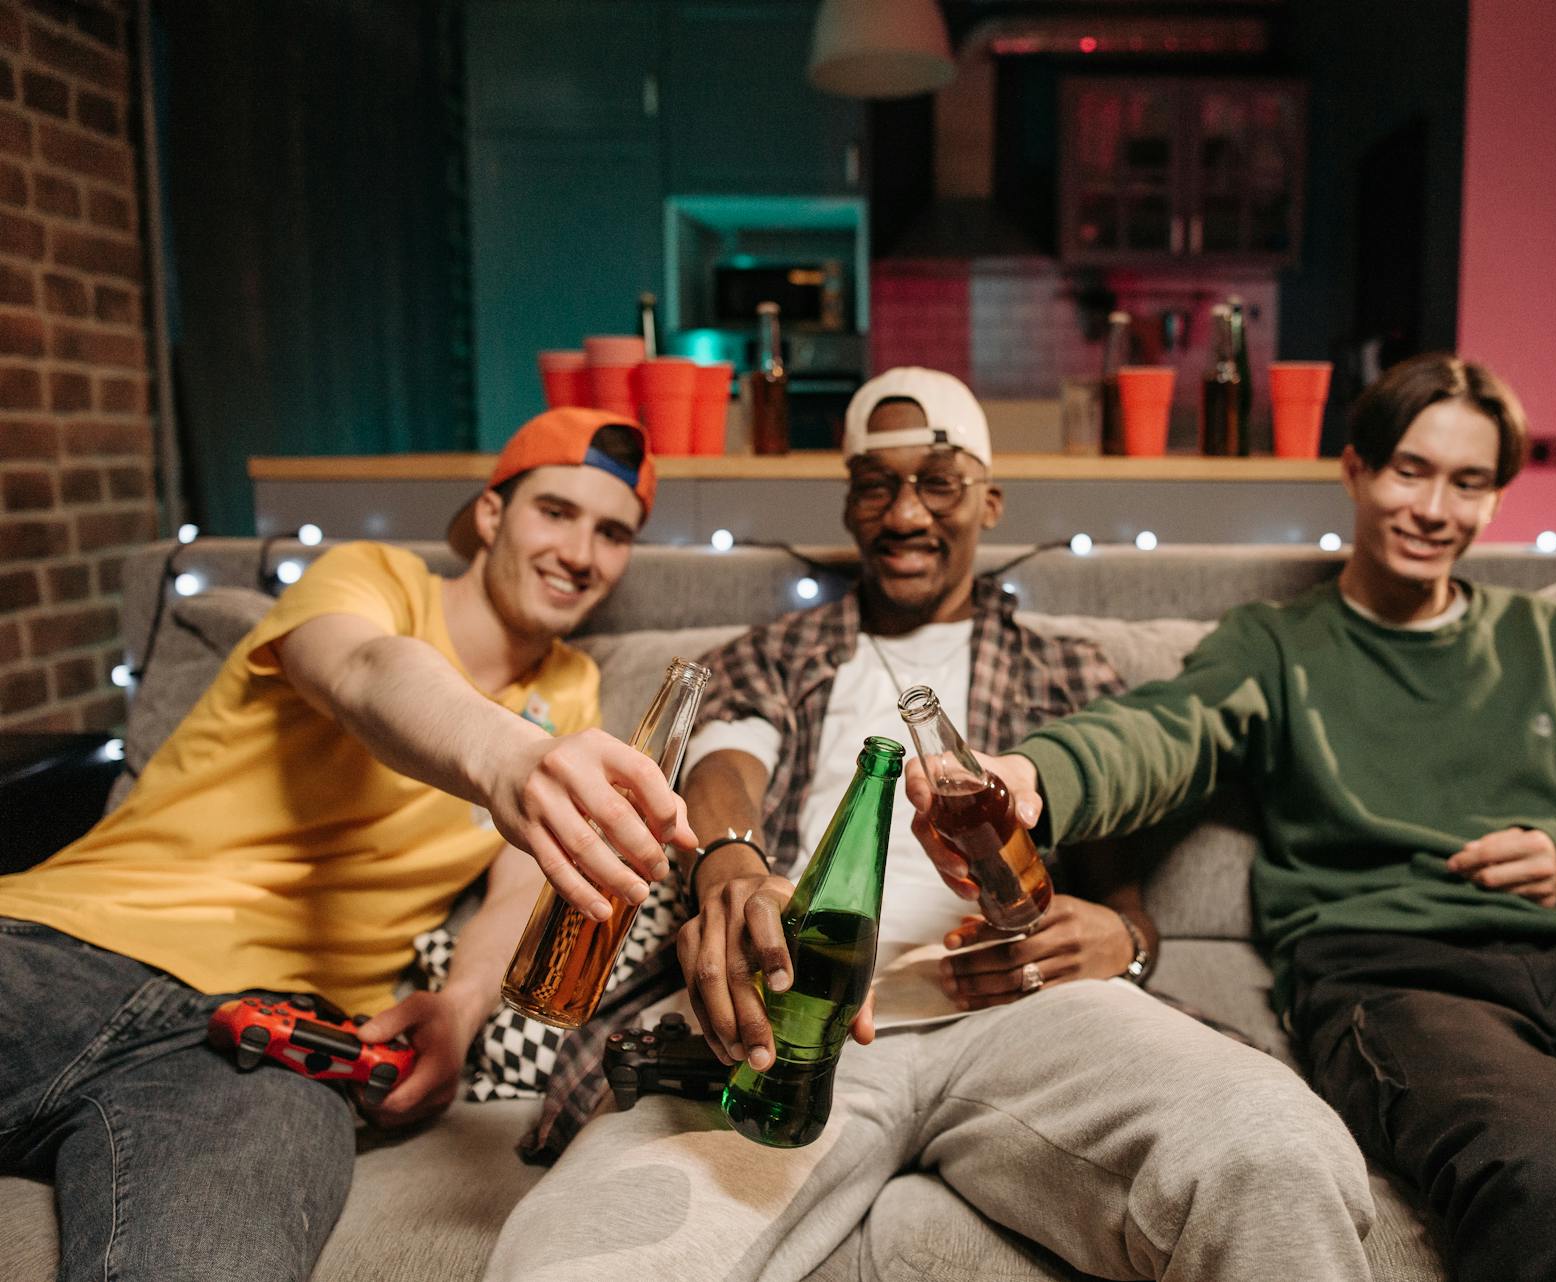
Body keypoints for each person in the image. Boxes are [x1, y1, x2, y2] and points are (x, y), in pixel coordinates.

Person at [907, 353, 1556, 1282]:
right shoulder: (1274, 643)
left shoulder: (1553, 639)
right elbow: (1165, 729)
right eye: (1408, 470)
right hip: (1400, 974)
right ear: (1354, 470)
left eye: (1468, 482)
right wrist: (1036, 779)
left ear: (1494, 496)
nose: (1434, 507)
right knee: (1546, 1167)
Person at [488, 367, 1375, 1282]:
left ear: (988, 503)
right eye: (877, 485)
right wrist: (731, 867)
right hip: (792, 1004)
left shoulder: (1066, 670)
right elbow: (722, 761)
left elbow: (1124, 900)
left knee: (1274, 1155)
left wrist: (1125, 939)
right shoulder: (777, 652)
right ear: (849, 506)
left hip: (1029, 1014)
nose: (905, 513)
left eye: (937, 483)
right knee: (578, 1258)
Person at [0, 407, 697, 1282]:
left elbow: (526, 875)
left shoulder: (573, 689)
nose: (581, 553)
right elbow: (365, 673)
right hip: (68, 948)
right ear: (492, 515)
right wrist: (509, 758)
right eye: (555, 511)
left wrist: (459, 1007)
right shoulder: (373, 578)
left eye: (613, 533)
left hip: (275, 1044)